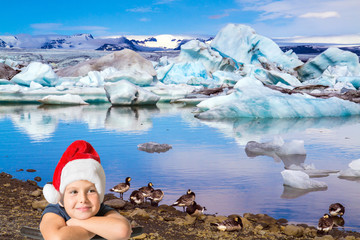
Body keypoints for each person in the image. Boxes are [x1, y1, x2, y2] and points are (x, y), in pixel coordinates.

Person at [40, 140, 132, 240]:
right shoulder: (55, 211)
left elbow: (122, 231)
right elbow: (57, 237)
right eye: (74, 192)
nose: (83, 199)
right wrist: (97, 229)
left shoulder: (101, 209)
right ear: (62, 197)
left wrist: (78, 222)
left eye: (91, 191)